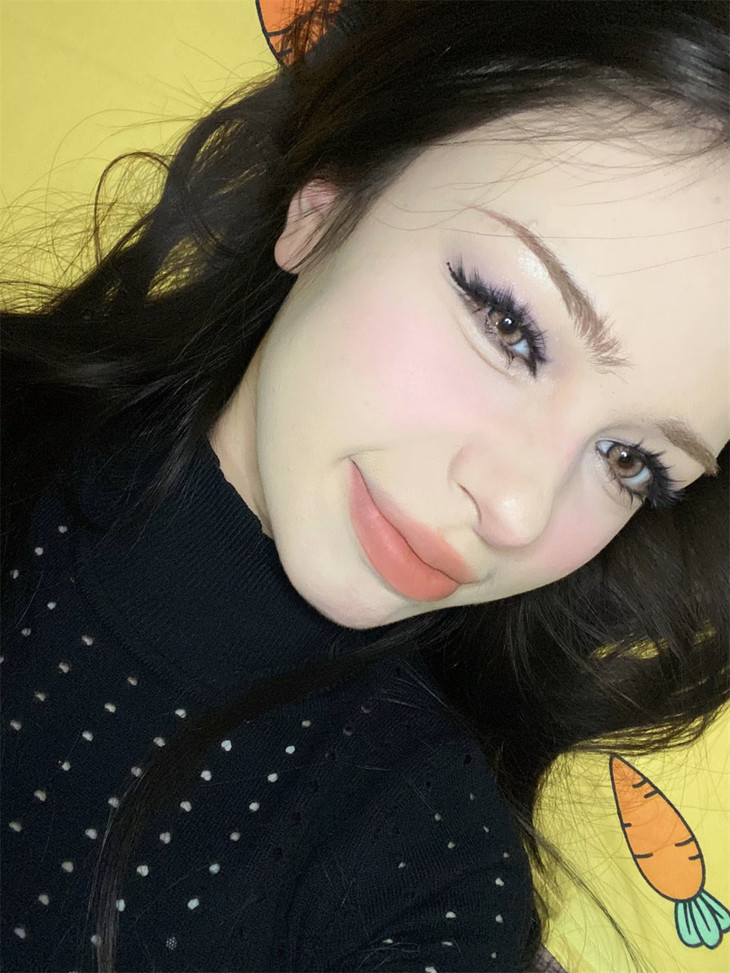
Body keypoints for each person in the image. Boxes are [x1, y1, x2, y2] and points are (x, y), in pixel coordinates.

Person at [1, 1, 728, 971]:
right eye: (508, 325)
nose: (516, 510)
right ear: (323, 206)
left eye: (629, 459)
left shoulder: (431, 870)